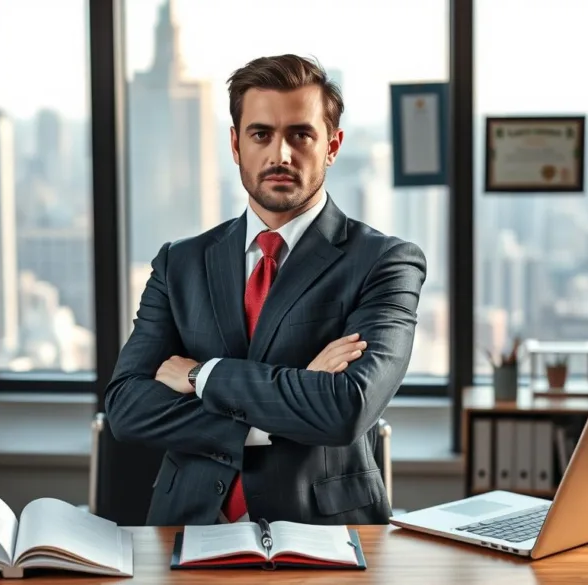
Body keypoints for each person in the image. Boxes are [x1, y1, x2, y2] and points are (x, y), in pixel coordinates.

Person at [105, 54, 427, 526]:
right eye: (261, 135)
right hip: (185, 527)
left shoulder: (385, 262)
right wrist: (280, 410)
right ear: (235, 145)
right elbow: (128, 407)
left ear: (332, 146)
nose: (281, 154)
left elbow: (345, 407)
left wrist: (202, 377)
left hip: (323, 534)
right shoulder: (181, 263)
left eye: (301, 134)